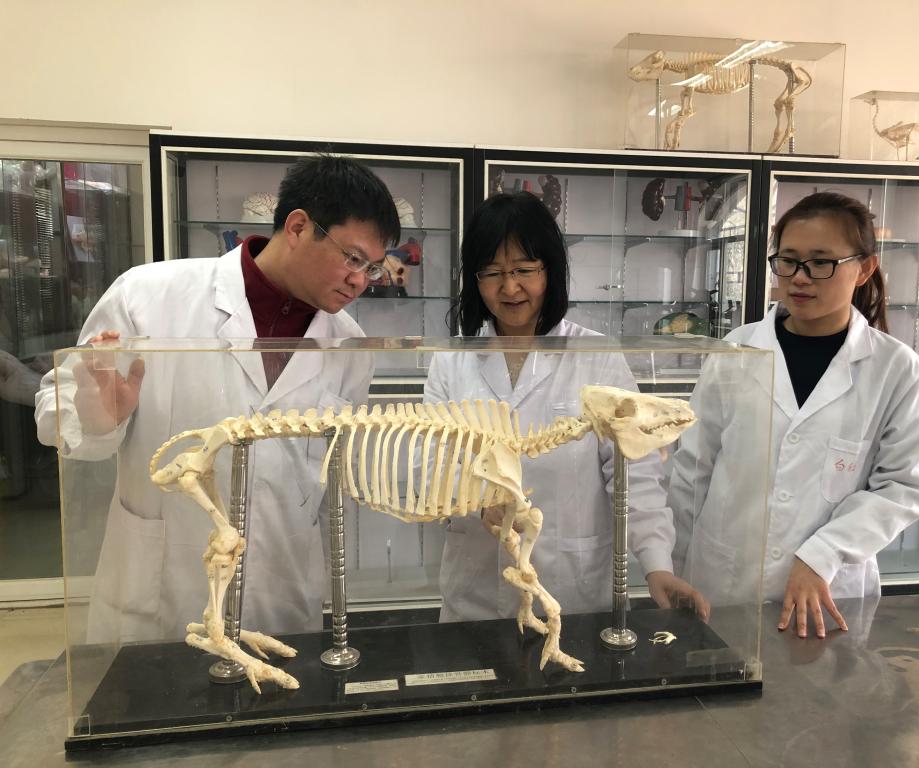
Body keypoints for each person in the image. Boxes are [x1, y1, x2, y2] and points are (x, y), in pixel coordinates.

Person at [35, 155, 400, 643]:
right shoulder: (148, 295)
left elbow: (329, 475)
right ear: (297, 227)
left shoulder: (349, 345)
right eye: (352, 258)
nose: (360, 281)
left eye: (372, 268)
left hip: (280, 589)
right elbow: (59, 416)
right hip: (164, 591)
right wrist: (98, 418)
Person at [424, 191, 706, 622]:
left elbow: (634, 470)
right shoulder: (452, 360)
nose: (509, 287)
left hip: (572, 588)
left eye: (524, 270)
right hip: (476, 590)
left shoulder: (596, 356)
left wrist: (657, 565)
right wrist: (475, 500)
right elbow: (431, 464)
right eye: (493, 272)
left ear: (550, 269)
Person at [670, 191, 919, 639]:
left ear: (864, 268)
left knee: (817, 683)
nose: (799, 277)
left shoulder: (897, 370)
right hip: (724, 580)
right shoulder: (737, 351)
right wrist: (673, 565)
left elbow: (905, 486)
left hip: (828, 594)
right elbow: (693, 469)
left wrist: (823, 553)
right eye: (788, 261)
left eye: (821, 263)